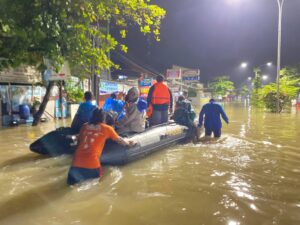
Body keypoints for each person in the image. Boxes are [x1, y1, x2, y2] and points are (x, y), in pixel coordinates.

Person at [67, 108, 135, 185]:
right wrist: (129, 143)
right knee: (94, 187)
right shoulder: (107, 128)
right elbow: (120, 141)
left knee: (71, 187)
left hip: (75, 164)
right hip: (92, 165)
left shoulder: (84, 126)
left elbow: (79, 142)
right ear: (103, 118)